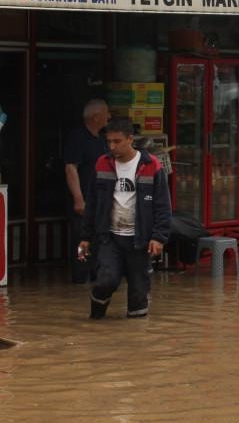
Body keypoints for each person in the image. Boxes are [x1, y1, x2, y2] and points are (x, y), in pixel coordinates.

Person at [78, 117, 171, 320]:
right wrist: (85, 237)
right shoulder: (102, 164)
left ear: (130, 139)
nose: (112, 146)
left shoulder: (152, 165)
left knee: (138, 296)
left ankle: (136, 334)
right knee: (106, 281)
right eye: (109, 141)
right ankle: (95, 320)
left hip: (140, 240)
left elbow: (163, 206)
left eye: (117, 141)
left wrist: (158, 237)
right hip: (109, 237)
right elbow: (92, 203)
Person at [63, 98, 110, 284]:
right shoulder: (78, 137)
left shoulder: (102, 140)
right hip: (83, 199)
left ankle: (96, 273)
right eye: (106, 113)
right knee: (82, 237)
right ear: (96, 117)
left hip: (100, 199)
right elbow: (71, 167)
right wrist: (78, 198)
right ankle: (80, 275)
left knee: (99, 237)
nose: (109, 117)